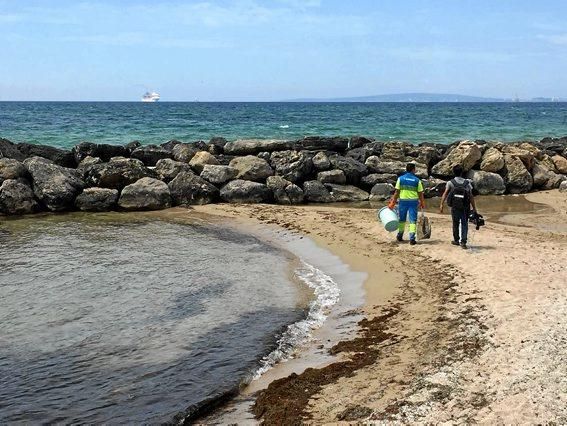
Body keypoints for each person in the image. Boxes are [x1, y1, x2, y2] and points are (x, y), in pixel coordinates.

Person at [439, 164, 477, 249]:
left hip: (455, 207)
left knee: (455, 223)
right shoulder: (467, 183)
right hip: (465, 207)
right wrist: (474, 208)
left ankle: (456, 240)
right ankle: (463, 242)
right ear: (462, 172)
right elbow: (471, 196)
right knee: (464, 224)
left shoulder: (450, 183)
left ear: (453, 172)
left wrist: (441, 204)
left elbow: (445, 194)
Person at [388, 163, 426, 245]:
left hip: (403, 201)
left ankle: (400, 235)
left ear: (406, 169)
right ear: (413, 170)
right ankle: (412, 238)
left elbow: (396, 192)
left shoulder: (400, 179)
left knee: (402, 219)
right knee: (413, 220)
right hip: (413, 202)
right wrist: (422, 203)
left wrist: (392, 203)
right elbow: (420, 194)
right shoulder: (417, 180)